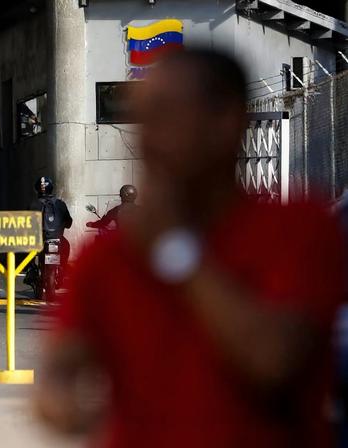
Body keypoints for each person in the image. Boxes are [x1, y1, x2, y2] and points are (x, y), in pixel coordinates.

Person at [36, 48, 344, 447]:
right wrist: (66, 404)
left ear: (226, 122)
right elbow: (57, 376)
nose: (146, 137)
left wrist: (177, 251)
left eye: (165, 115)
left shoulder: (301, 230)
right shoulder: (110, 258)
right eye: (143, 117)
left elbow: (274, 360)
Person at [31, 176, 73, 265]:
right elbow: (69, 223)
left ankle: (32, 269)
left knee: (30, 255)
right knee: (66, 246)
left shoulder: (33, 205)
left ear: (37, 189)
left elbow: (26, 225)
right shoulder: (60, 204)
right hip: (58, 240)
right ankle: (62, 268)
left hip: (40, 242)